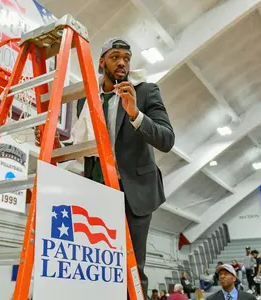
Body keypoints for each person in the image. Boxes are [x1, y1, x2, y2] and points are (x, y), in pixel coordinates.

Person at [35, 37, 175, 298]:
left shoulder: (145, 91)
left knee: (132, 270)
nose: (122, 62)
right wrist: (57, 144)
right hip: (98, 191)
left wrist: (135, 114)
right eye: (115, 57)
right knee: (98, 267)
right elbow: (86, 142)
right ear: (101, 62)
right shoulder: (85, 99)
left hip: (136, 192)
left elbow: (167, 140)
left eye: (126, 58)